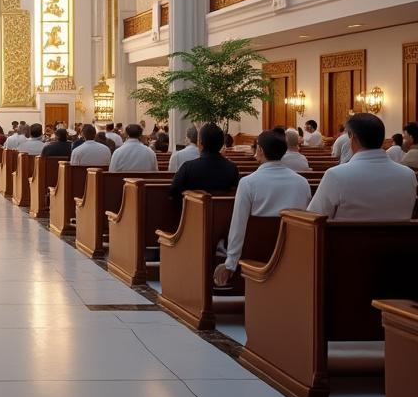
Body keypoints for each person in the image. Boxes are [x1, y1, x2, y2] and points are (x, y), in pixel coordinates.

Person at [213, 130, 312, 286]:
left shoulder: (248, 183)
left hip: (255, 255)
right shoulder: (302, 183)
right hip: (292, 254)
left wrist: (231, 262)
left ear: (260, 150)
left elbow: (238, 225)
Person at [308, 113, 417, 220]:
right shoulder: (409, 175)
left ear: (352, 137)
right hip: (400, 238)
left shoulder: (335, 175)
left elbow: (314, 217)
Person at [169, 122, 239, 201]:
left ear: (200, 143)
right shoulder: (232, 169)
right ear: (222, 143)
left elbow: (173, 191)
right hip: (223, 213)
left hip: (193, 212)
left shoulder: (188, 168)